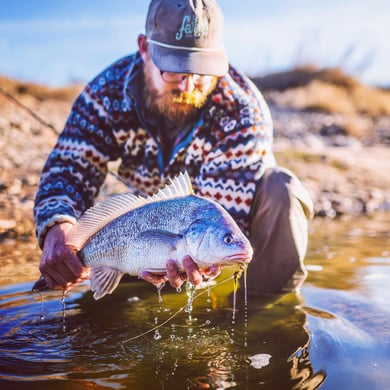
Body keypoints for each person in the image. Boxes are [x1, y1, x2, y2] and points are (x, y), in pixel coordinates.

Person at [34, 0, 313, 296]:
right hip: (149, 231)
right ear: (145, 49)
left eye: (201, 70)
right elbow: (69, 166)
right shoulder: (106, 92)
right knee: (111, 299)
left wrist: (197, 259)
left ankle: (270, 310)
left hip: (215, 230)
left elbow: (219, 217)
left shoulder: (243, 110)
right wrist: (58, 227)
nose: (188, 84)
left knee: (283, 190)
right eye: (174, 69)